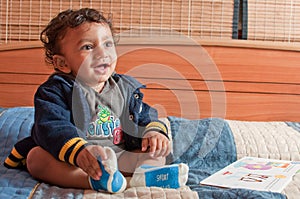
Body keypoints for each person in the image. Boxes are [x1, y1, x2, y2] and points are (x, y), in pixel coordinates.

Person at [4, 8, 188, 193]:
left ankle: (140, 178)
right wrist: (80, 152)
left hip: (120, 154)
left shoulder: (124, 88)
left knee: (157, 152)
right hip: (77, 160)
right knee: (35, 159)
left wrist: (153, 132)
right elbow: (52, 126)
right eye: (88, 47)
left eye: (107, 44)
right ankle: (93, 181)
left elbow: (145, 115)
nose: (102, 53)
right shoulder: (55, 91)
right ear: (63, 64)